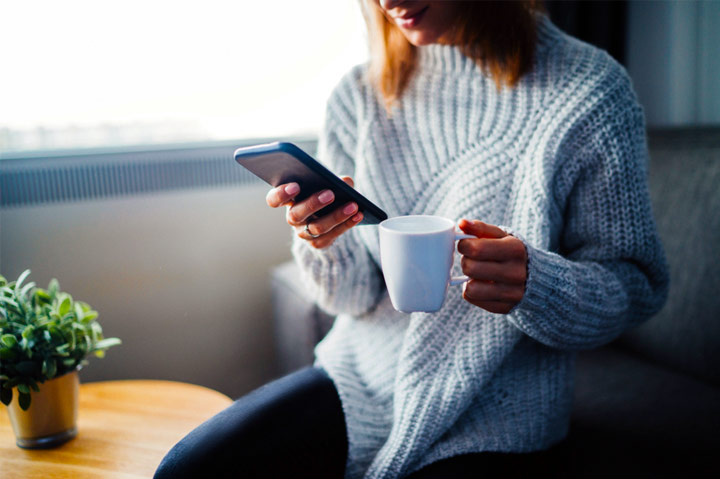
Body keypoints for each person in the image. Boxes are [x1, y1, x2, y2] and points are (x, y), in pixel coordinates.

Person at [155, 1, 669, 478]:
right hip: (362, 376)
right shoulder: (359, 95)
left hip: (500, 410)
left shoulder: (590, 91)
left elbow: (635, 284)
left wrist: (538, 284)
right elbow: (350, 299)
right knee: (187, 469)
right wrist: (323, 243)